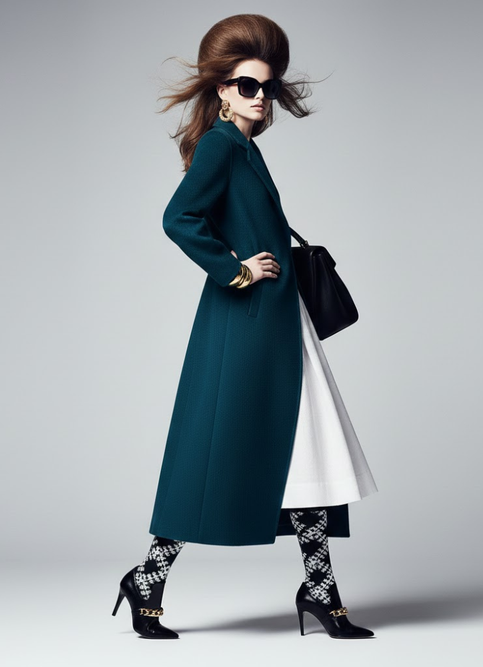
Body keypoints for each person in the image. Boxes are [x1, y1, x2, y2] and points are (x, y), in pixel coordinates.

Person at [112, 13, 378, 640]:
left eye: (268, 86)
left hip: (280, 322)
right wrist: (236, 270)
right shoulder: (221, 145)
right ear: (223, 90)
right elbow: (179, 218)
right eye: (247, 85)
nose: (261, 97)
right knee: (214, 454)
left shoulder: (245, 147)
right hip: (248, 325)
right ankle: (149, 577)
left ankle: (319, 590)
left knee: (308, 449)